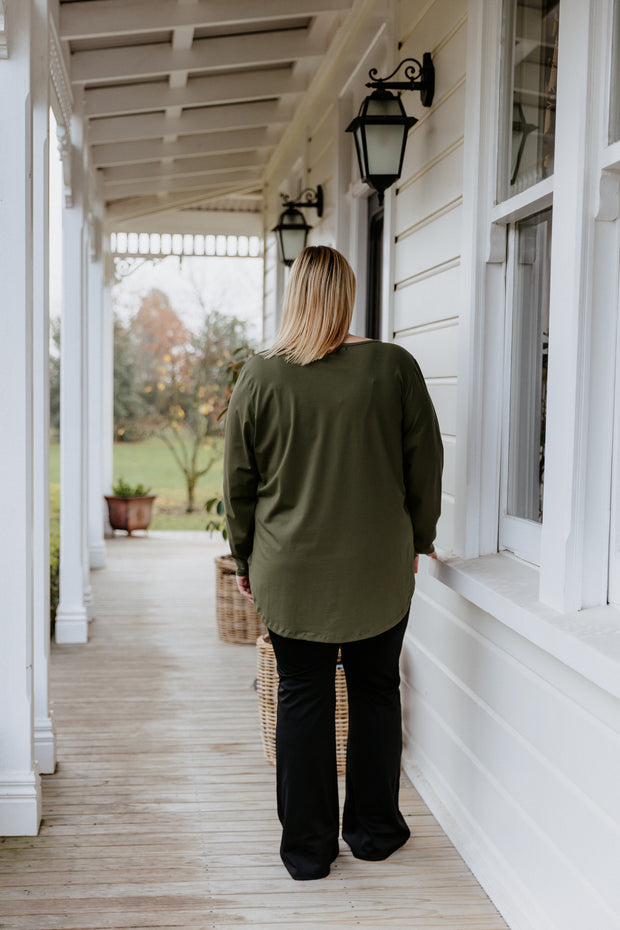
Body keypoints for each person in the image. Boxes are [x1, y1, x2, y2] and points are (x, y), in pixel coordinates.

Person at [223, 245, 443, 881]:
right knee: (375, 691)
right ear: (348, 294)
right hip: (378, 568)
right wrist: (418, 538)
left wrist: (244, 557)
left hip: (289, 572)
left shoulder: (261, 375)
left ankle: (308, 851)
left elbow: (240, 480)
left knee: (301, 696)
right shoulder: (395, 367)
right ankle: (373, 833)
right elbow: (423, 465)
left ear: (296, 296)